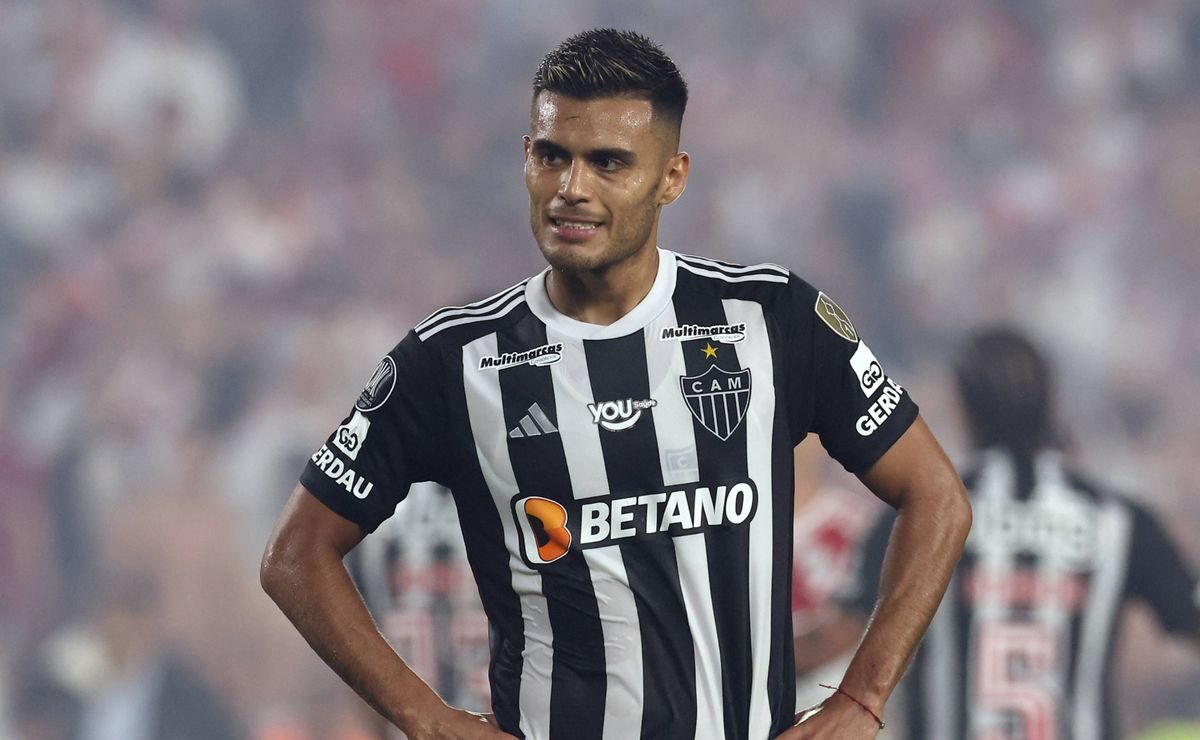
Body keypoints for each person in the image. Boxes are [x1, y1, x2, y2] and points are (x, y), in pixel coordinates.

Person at [260, 29, 971, 740]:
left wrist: (862, 699)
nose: (572, 188)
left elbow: (937, 496)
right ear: (526, 157)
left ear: (672, 177)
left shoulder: (772, 317)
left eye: (609, 162)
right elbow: (294, 555)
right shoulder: (453, 359)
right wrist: (427, 719)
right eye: (552, 156)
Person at [806, 326, 1200, 739]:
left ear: (964, 407)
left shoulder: (922, 511)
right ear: (1050, 401)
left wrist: (762, 651)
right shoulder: (1118, 520)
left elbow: (841, 633)